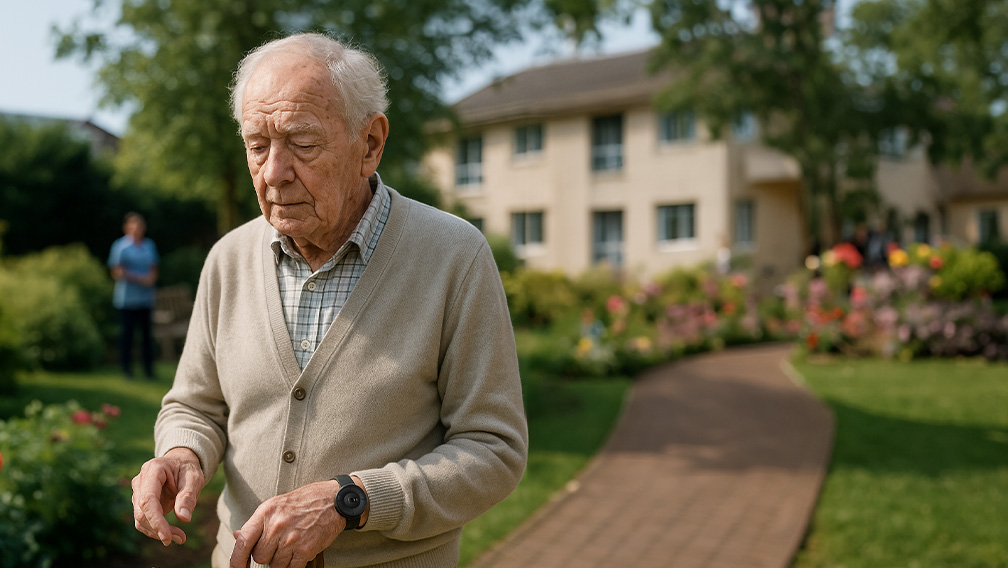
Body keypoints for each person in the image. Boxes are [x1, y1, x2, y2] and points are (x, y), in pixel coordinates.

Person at [130, 33, 528, 568]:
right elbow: (196, 404)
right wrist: (182, 453)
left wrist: (351, 500)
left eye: (302, 142)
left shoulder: (454, 256)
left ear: (370, 144)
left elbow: (494, 450)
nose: (273, 171)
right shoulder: (228, 258)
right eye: (257, 145)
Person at [108, 212, 159, 379]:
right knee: (127, 336)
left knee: (146, 336)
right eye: (133, 225)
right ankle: (127, 370)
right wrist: (139, 278)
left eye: (139, 225)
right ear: (126, 228)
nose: (136, 229)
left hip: (145, 299)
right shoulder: (120, 246)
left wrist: (150, 279)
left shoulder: (149, 245)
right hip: (127, 300)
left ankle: (149, 370)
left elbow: (154, 268)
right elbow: (116, 270)